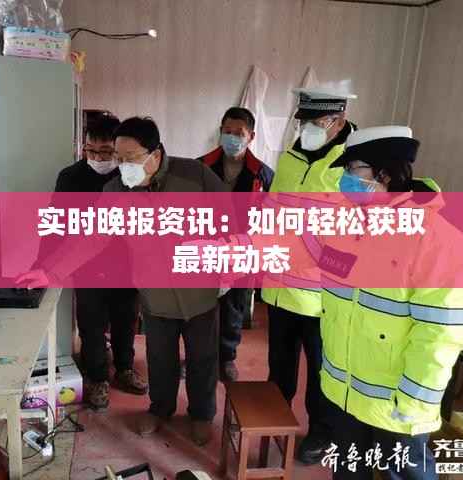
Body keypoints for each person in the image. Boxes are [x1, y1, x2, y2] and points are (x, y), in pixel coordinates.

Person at [19, 117, 225, 447]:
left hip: (199, 291)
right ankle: (160, 409)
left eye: (130, 157)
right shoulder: (116, 192)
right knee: (160, 357)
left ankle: (202, 414)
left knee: (202, 358)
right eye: (119, 157)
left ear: (155, 154)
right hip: (155, 294)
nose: (122, 165)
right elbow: (91, 238)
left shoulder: (194, 175)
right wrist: (49, 271)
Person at [320, 126, 463, 479]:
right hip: (345, 392)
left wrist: (414, 400)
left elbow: (441, 333)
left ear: (384, 175)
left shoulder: (437, 241)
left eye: (353, 170)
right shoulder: (348, 225)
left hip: (396, 403)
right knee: (348, 470)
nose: (345, 180)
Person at [262, 85, 357, 464]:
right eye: (304, 122)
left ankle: (321, 431)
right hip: (279, 288)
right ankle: (276, 417)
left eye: (317, 123)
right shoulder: (290, 157)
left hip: (322, 297)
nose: (307, 130)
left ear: (339, 121)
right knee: (279, 366)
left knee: (322, 372)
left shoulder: (351, 167)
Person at [36, 114, 146, 410]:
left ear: (118, 149)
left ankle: (124, 368)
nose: (97, 158)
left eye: (106, 152)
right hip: (85, 264)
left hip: (125, 264)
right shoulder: (70, 177)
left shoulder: (130, 176)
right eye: (91, 150)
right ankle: (97, 377)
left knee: (125, 320)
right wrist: (43, 264)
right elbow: (55, 221)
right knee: (91, 323)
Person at [198, 107, 274, 381]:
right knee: (201, 307)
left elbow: (269, 218)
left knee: (233, 307)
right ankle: (198, 356)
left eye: (239, 133)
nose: (232, 138)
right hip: (206, 248)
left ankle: (226, 357)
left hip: (242, 252)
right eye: (227, 132)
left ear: (251, 136)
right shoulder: (201, 166)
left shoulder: (262, 174)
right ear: (220, 132)